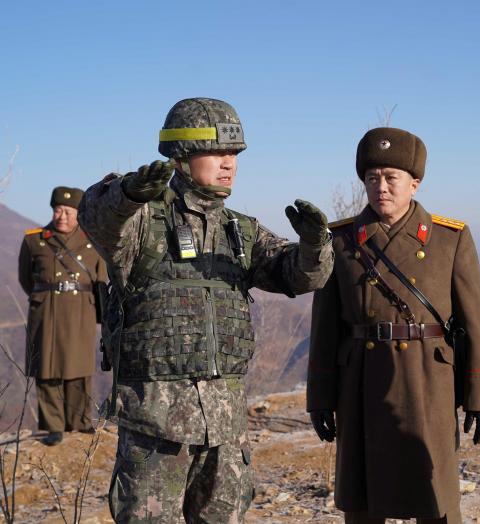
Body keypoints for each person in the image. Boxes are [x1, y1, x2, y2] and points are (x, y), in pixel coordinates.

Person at [78, 97, 333, 523]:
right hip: (156, 430)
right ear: (181, 156)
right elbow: (97, 217)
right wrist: (126, 194)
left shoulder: (239, 230)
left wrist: (313, 246)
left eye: (233, 154)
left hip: (226, 429)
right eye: (216, 152)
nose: (228, 163)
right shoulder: (142, 221)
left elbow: (300, 277)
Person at [307, 127, 480, 524]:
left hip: (429, 381)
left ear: (415, 182)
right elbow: (325, 328)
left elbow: (473, 322)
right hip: (361, 381)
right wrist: (320, 396)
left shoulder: (450, 238)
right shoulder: (341, 241)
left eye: (391, 177)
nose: (381, 188)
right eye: (372, 178)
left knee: (435, 493)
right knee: (363, 499)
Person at [18, 186, 107, 446]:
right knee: (46, 368)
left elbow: (101, 280)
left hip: (81, 310)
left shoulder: (93, 241)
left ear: (78, 214)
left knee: (78, 367)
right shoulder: (35, 240)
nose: (62, 216)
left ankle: (79, 421)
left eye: (68, 212)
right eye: (58, 210)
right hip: (46, 310)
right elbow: (26, 279)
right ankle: (53, 426)